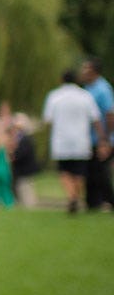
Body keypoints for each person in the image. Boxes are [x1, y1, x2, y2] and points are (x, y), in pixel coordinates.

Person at [43, 69, 105, 214]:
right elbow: (95, 119)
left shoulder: (54, 96)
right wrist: (102, 138)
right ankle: (75, 196)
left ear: (61, 79)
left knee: (64, 171)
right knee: (79, 172)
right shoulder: (85, 96)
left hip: (61, 140)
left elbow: (48, 120)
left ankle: (71, 197)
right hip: (81, 140)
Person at [78, 57, 114, 210]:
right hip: (90, 139)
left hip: (102, 139)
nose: (83, 71)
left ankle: (110, 201)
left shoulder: (103, 89)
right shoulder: (88, 88)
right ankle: (93, 203)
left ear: (94, 71)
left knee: (101, 173)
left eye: (86, 68)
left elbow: (110, 115)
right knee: (91, 173)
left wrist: (105, 140)